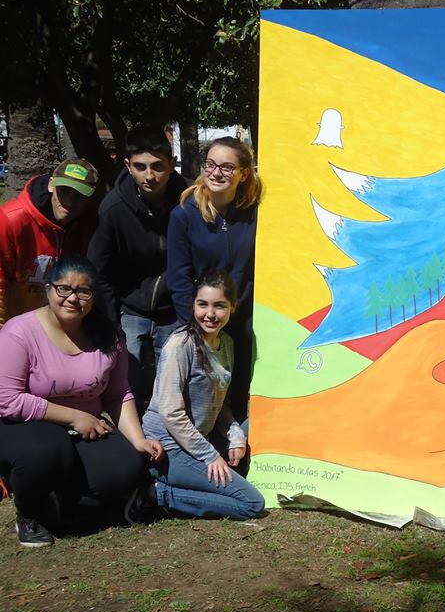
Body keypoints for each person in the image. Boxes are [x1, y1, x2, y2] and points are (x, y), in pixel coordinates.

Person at [0, 256, 163, 547]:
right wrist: (75, 416)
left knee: (125, 468)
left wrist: (137, 440)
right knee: (48, 451)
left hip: (84, 429)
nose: (73, 298)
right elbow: (8, 400)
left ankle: (63, 501)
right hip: (24, 423)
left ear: (93, 297)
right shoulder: (18, 332)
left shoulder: (108, 336)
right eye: (64, 288)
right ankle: (29, 514)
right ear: (48, 289)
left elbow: (118, 394)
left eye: (83, 291)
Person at [136, 269, 264, 520]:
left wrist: (236, 437)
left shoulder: (227, 343)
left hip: (200, 438)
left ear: (233, 307)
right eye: (202, 304)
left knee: (256, 424)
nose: (210, 314)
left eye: (219, 306)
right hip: (168, 447)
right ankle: (159, 493)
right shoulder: (181, 344)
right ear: (193, 305)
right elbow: (171, 413)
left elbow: (221, 405)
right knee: (252, 503)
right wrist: (210, 456)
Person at [88, 124, 188, 412]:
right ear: (127, 165)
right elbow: (99, 270)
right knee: (128, 386)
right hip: (131, 309)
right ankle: (132, 435)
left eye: (158, 166)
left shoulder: (191, 200)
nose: (149, 175)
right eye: (140, 167)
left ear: (172, 163)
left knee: (172, 386)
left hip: (175, 309)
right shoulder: (113, 208)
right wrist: (111, 323)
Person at [167, 137, 261, 420]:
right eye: (210, 164)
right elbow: (179, 277)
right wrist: (195, 324)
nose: (216, 172)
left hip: (242, 319)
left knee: (239, 393)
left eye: (227, 167)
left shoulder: (255, 213)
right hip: (203, 320)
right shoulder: (184, 214)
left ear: (244, 173)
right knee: (202, 400)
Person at [0, 158, 99, 328]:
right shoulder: (11, 220)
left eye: (79, 196)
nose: (69, 202)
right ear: (51, 184)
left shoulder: (92, 224)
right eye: (64, 191)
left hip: (63, 328)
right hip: (15, 327)